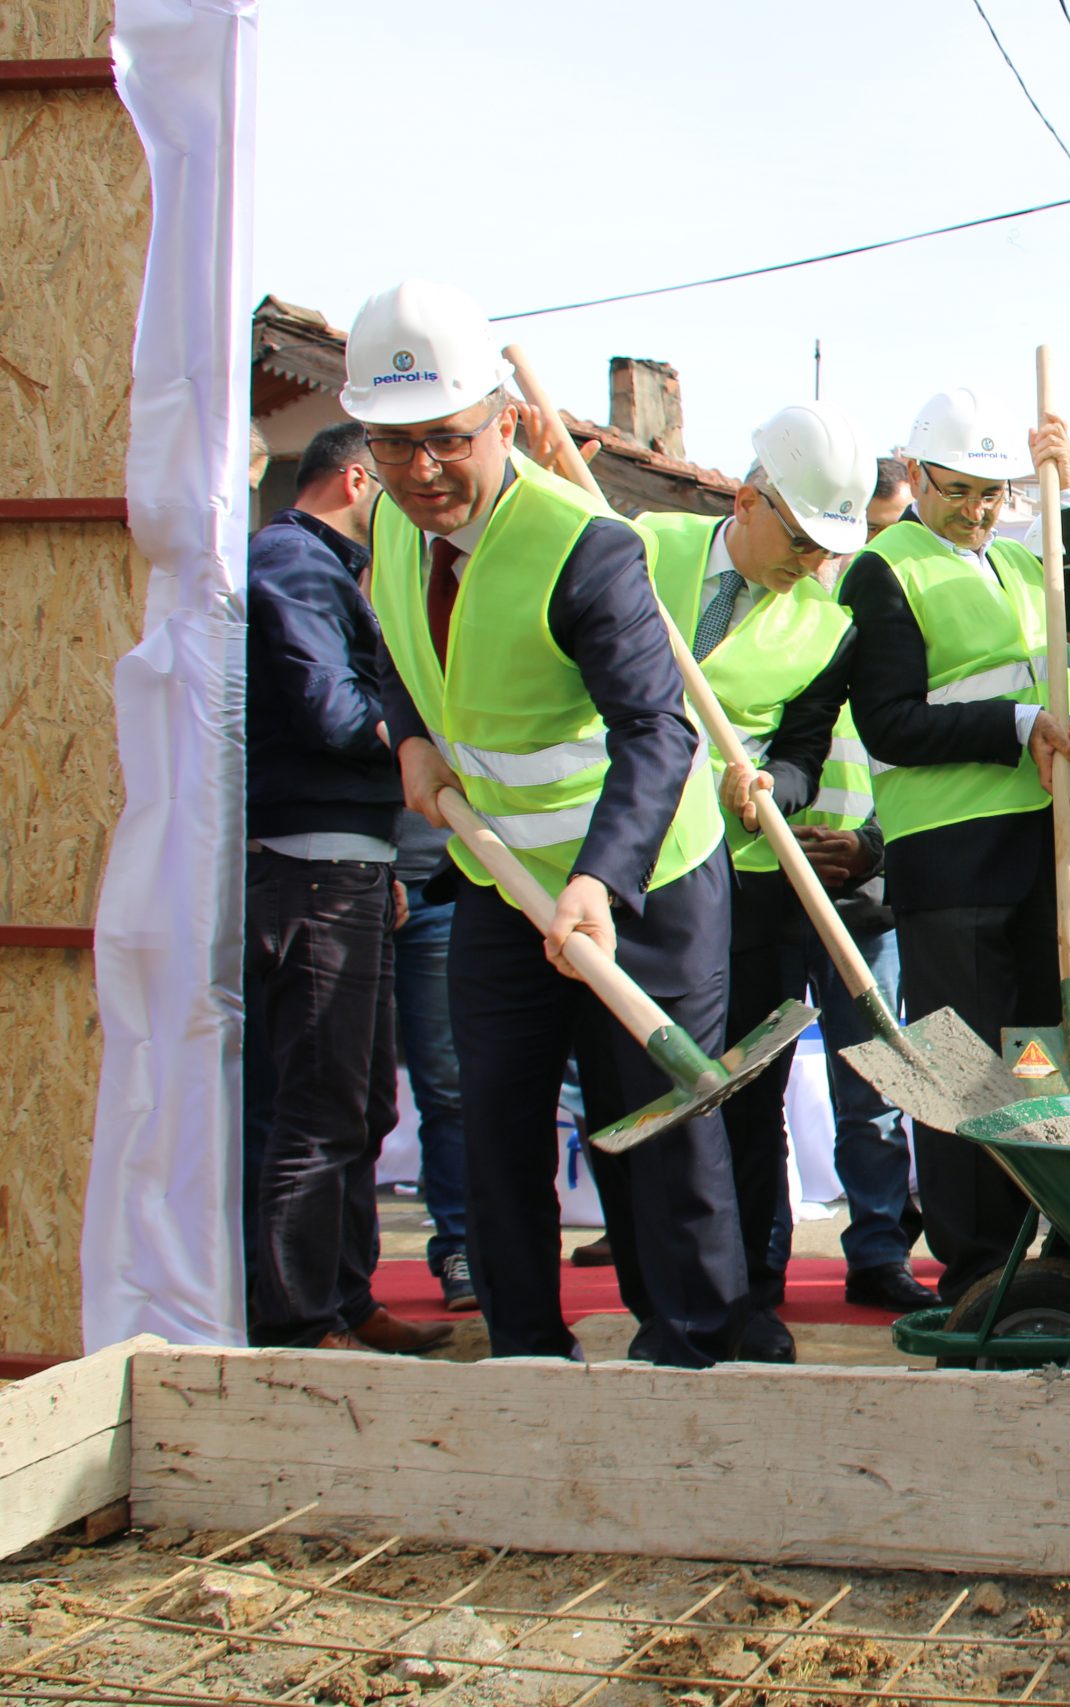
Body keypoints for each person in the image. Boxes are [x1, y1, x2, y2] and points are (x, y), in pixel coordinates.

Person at [350, 278, 747, 1369]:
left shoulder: (583, 545)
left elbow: (657, 736)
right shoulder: (390, 523)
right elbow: (396, 643)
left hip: (646, 882)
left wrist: (599, 884)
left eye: (444, 439)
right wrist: (408, 736)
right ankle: (526, 1352)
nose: (421, 470)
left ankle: (696, 1353)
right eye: (392, 445)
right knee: (493, 1116)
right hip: (498, 877)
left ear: (502, 422)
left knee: (661, 1122)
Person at [834, 390, 1070, 1305]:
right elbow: (887, 721)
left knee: (1039, 1059)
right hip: (950, 860)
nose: (978, 509)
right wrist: (1013, 723)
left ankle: (1051, 1247)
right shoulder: (884, 569)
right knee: (963, 1071)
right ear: (915, 476)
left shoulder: (1020, 559)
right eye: (958, 490)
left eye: (995, 493)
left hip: (1046, 853)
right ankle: (971, 1269)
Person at [632, 400, 874, 1362]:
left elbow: (809, 745)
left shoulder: (828, 623)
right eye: (805, 540)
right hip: (629, 865)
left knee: (745, 1093)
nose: (813, 565)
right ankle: (668, 1293)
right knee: (650, 1090)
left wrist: (779, 780)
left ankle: (750, 1291)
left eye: (830, 550)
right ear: (749, 500)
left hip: (745, 882)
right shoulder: (644, 551)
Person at [244, 422, 451, 1355]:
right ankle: (297, 1317)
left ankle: (345, 1296)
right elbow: (330, 709)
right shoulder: (294, 564)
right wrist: (420, 742)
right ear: (357, 477)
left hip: (350, 865)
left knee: (362, 1104)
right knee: (318, 1103)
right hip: (315, 870)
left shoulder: (320, 566)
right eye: (396, 477)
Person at [388, 802, 474, 1312]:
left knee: (449, 1086)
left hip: (438, 880)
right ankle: (342, 1268)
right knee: (345, 1094)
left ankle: (460, 1247)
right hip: (346, 870)